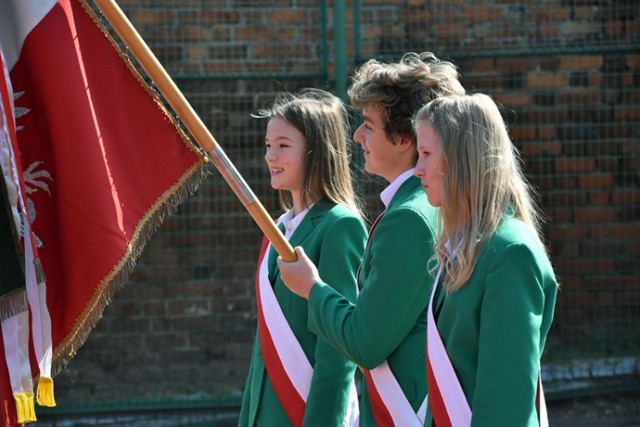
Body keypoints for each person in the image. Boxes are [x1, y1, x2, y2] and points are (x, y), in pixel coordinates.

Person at [277, 52, 465, 426]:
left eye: (368, 125)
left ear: (403, 139)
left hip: (403, 410)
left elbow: (366, 344)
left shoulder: (409, 218)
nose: (357, 135)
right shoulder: (426, 204)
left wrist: (312, 289)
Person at [413, 93, 558, 426]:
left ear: (461, 158)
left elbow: (505, 404)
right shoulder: (466, 245)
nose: (418, 169)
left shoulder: (511, 253)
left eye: (426, 154)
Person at [238, 88, 366, 426]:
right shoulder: (277, 227)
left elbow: (337, 347)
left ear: (315, 151)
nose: (270, 156)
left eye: (283, 145)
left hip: (305, 409)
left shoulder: (341, 225)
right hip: (264, 411)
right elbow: (263, 345)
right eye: (268, 145)